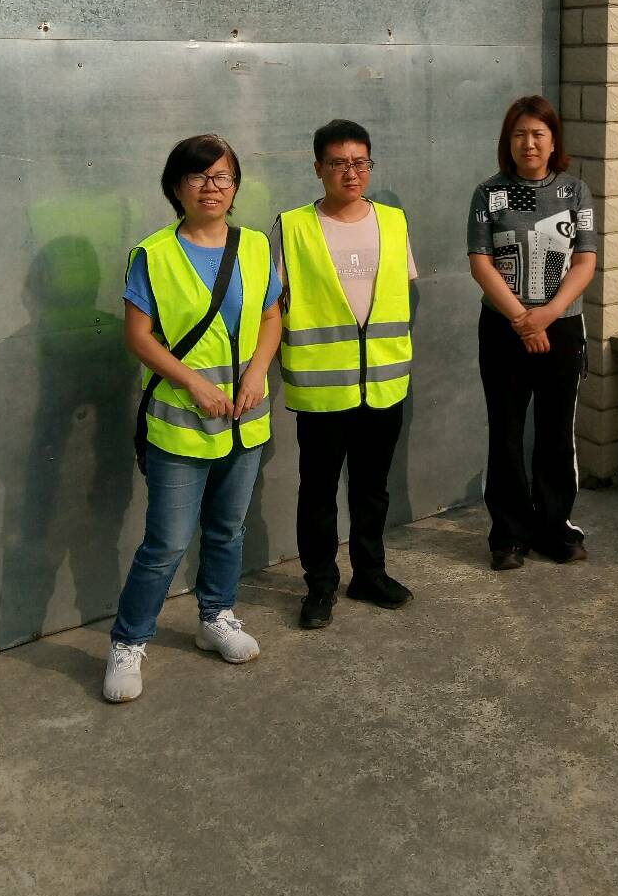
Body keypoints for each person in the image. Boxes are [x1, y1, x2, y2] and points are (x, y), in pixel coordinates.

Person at [103, 134, 282, 703]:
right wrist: (194, 383)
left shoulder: (255, 246)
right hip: (180, 423)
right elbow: (138, 337)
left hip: (244, 420)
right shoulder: (153, 254)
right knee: (166, 543)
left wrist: (257, 374)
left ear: (235, 186)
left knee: (228, 530)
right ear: (176, 186)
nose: (212, 187)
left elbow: (271, 316)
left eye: (222, 176)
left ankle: (215, 617)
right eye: (198, 176)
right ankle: (129, 641)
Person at [272, 120, 418, 631]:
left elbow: (400, 292)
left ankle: (370, 574)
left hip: (384, 382)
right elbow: (272, 307)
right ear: (318, 168)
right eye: (338, 163)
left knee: (372, 489)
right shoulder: (292, 226)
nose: (351, 172)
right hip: (322, 388)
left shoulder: (394, 221)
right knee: (317, 493)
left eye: (360, 162)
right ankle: (320, 585)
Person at [467, 95, 598, 570]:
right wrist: (523, 319)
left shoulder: (575, 192)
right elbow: (480, 262)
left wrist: (548, 314)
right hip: (503, 329)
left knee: (556, 431)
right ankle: (508, 534)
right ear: (508, 141)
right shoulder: (489, 193)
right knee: (505, 431)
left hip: (562, 328)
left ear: (553, 140)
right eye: (520, 134)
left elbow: (585, 261)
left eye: (538, 134)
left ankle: (555, 528)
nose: (529, 143)